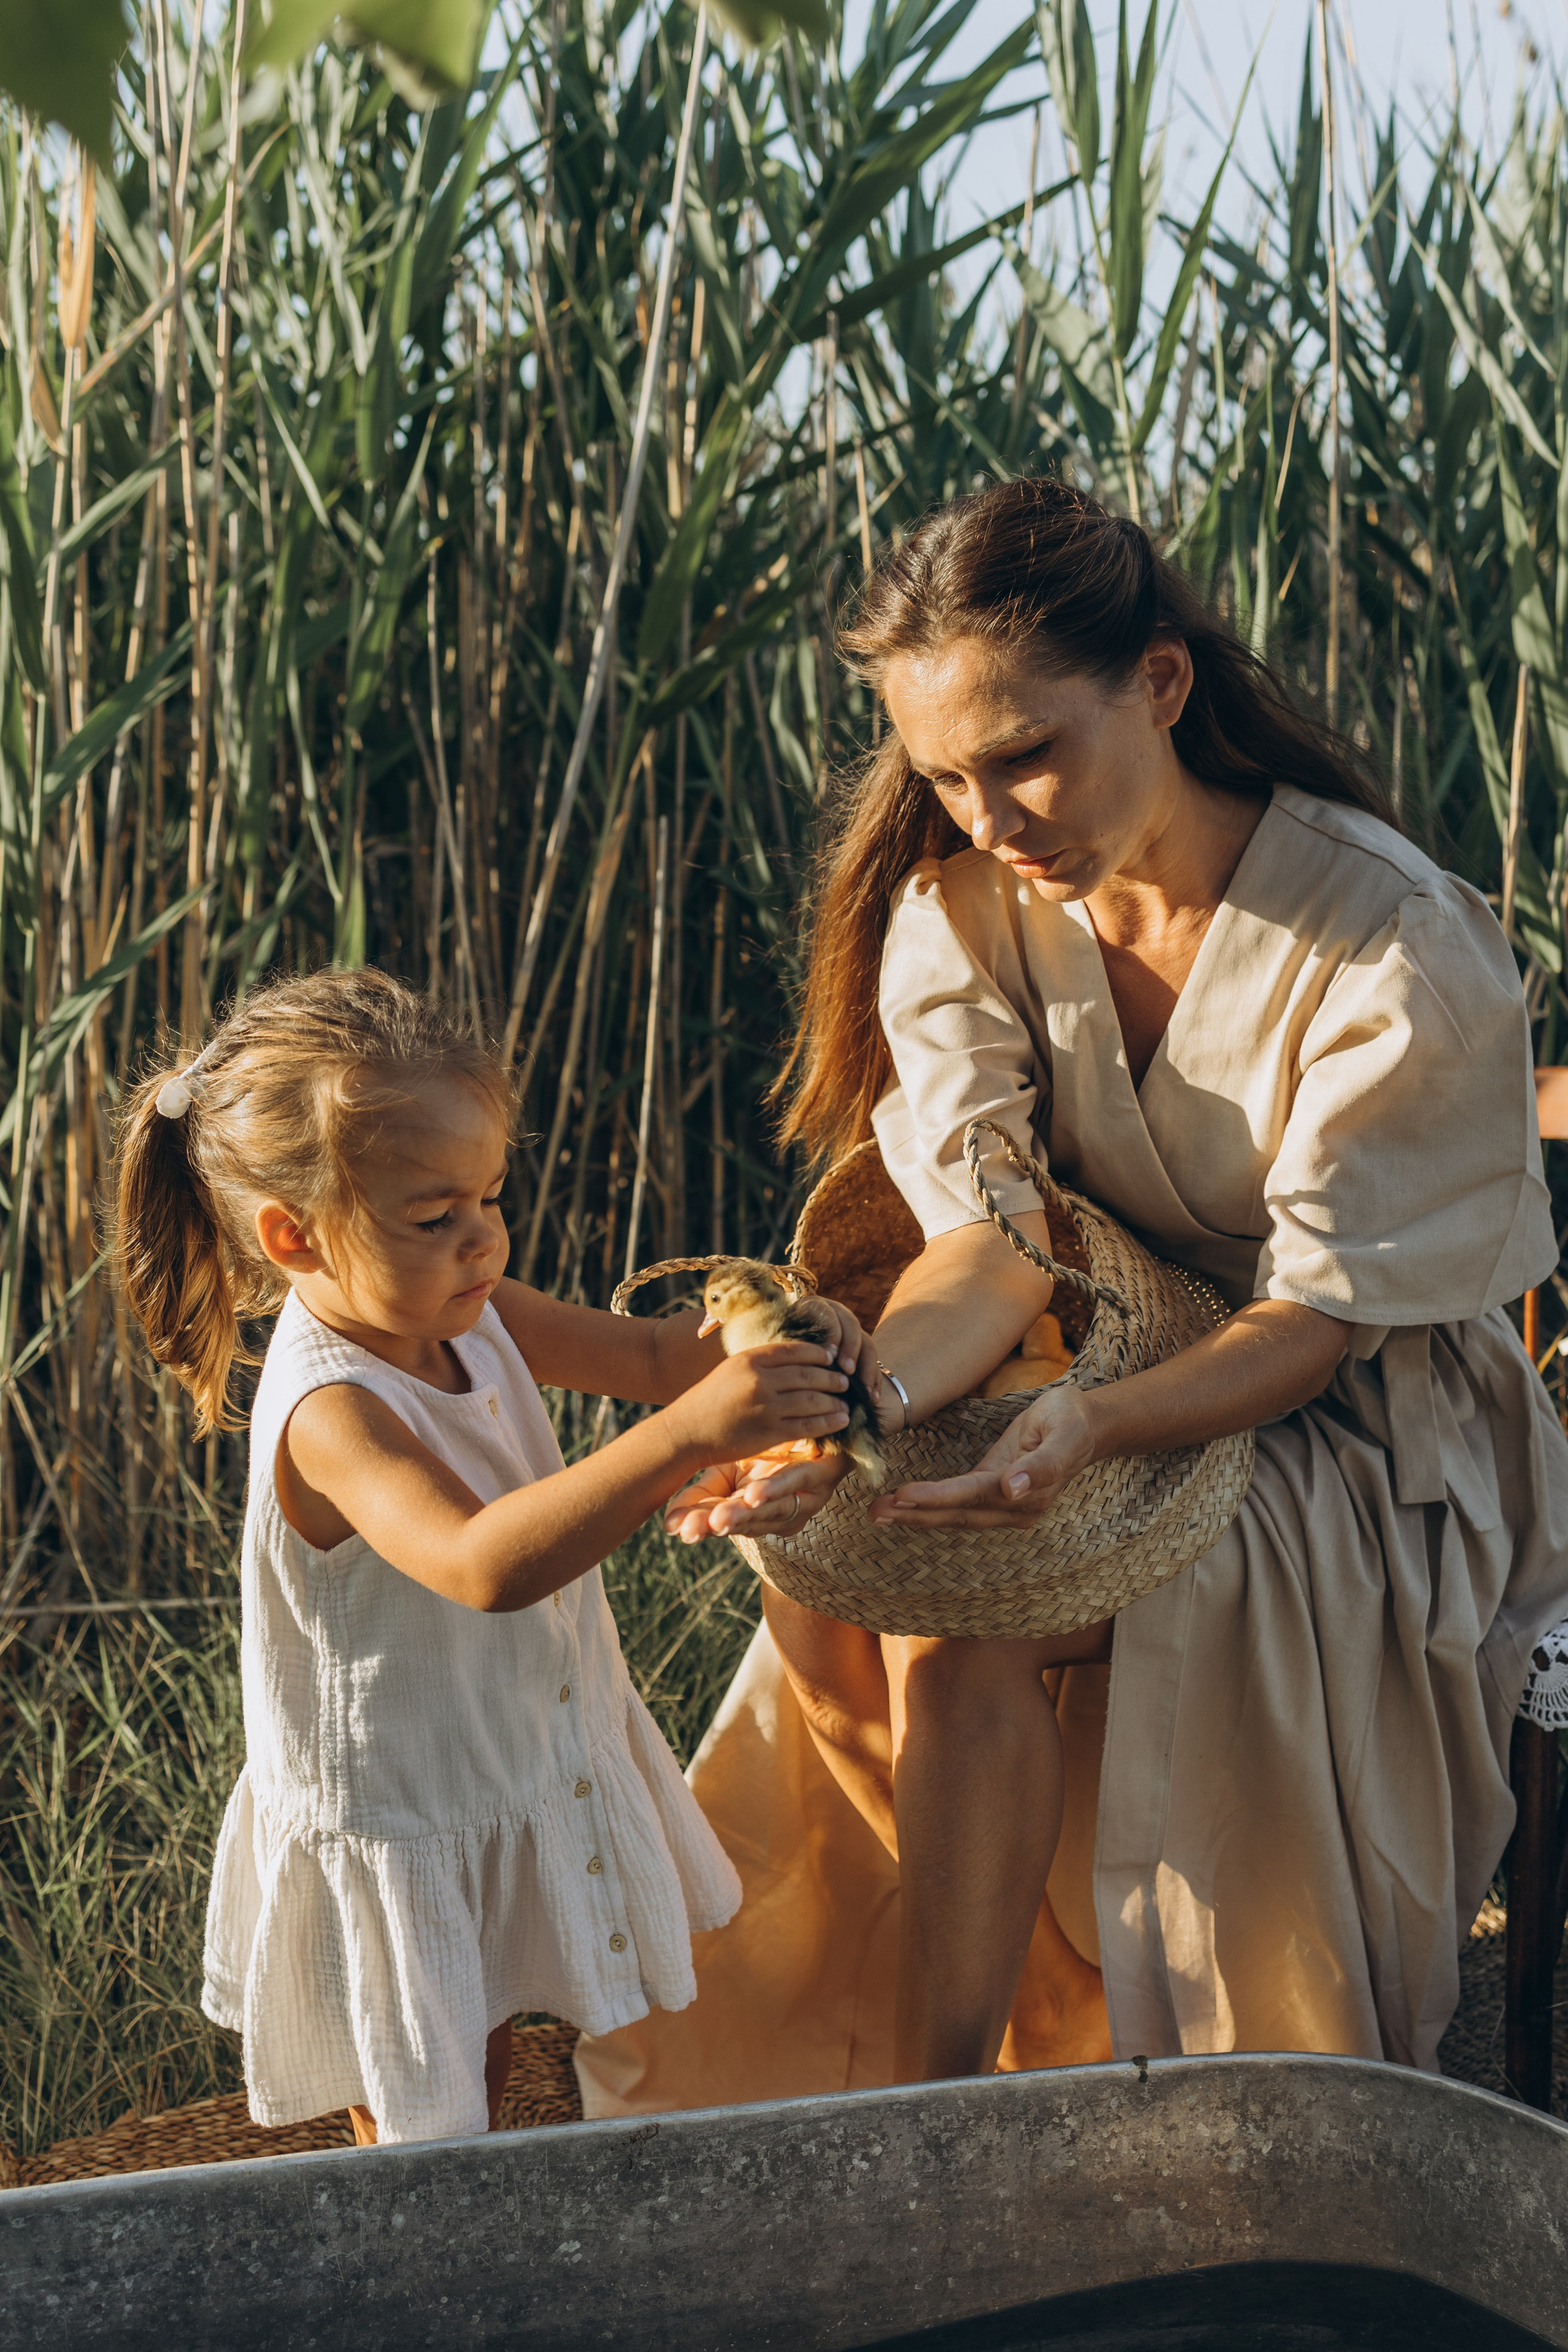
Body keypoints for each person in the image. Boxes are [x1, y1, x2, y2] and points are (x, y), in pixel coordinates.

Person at [575, 475, 1568, 2116]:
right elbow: (993, 1241)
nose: (987, 814)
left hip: (1363, 1432)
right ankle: (939, 2101)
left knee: (1005, 1589)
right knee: (906, 1563)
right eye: (945, 774)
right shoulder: (962, 907)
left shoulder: (1394, 943)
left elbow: (1319, 1322)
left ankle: (1046, 2102)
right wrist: (867, 1419)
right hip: (1089, 1357)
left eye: (1025, 752)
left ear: (1159, 683)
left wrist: (1081, 1423)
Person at [111, 968, 874, 2146]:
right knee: (425, 2104)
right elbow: (480, 1563)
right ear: (293, 1234)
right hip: (402, 1805)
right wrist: (686, 1442)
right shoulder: (332, 1409)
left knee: (487, 2045)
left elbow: (664, 1359)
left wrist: (779, 1336)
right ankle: (423, 2271)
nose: (484, 1239)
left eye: (490, 1198)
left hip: (498, 1752)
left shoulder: (463, 1309)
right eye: (436, 1216)